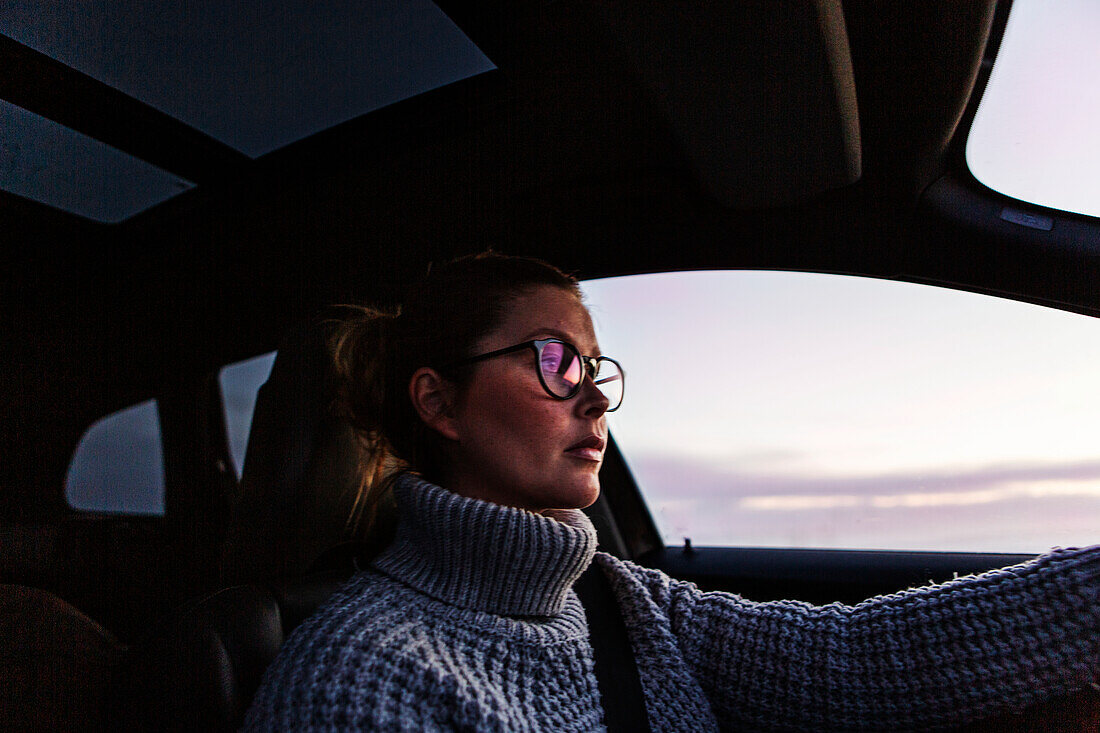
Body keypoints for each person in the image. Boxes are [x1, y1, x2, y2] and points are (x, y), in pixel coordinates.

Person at [243, 253, 1099, 732]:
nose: (594, 394)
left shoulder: (622, 600)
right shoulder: (362, 676)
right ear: (439, 402)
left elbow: (852, 660)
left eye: (595, 365)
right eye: (554, 360)